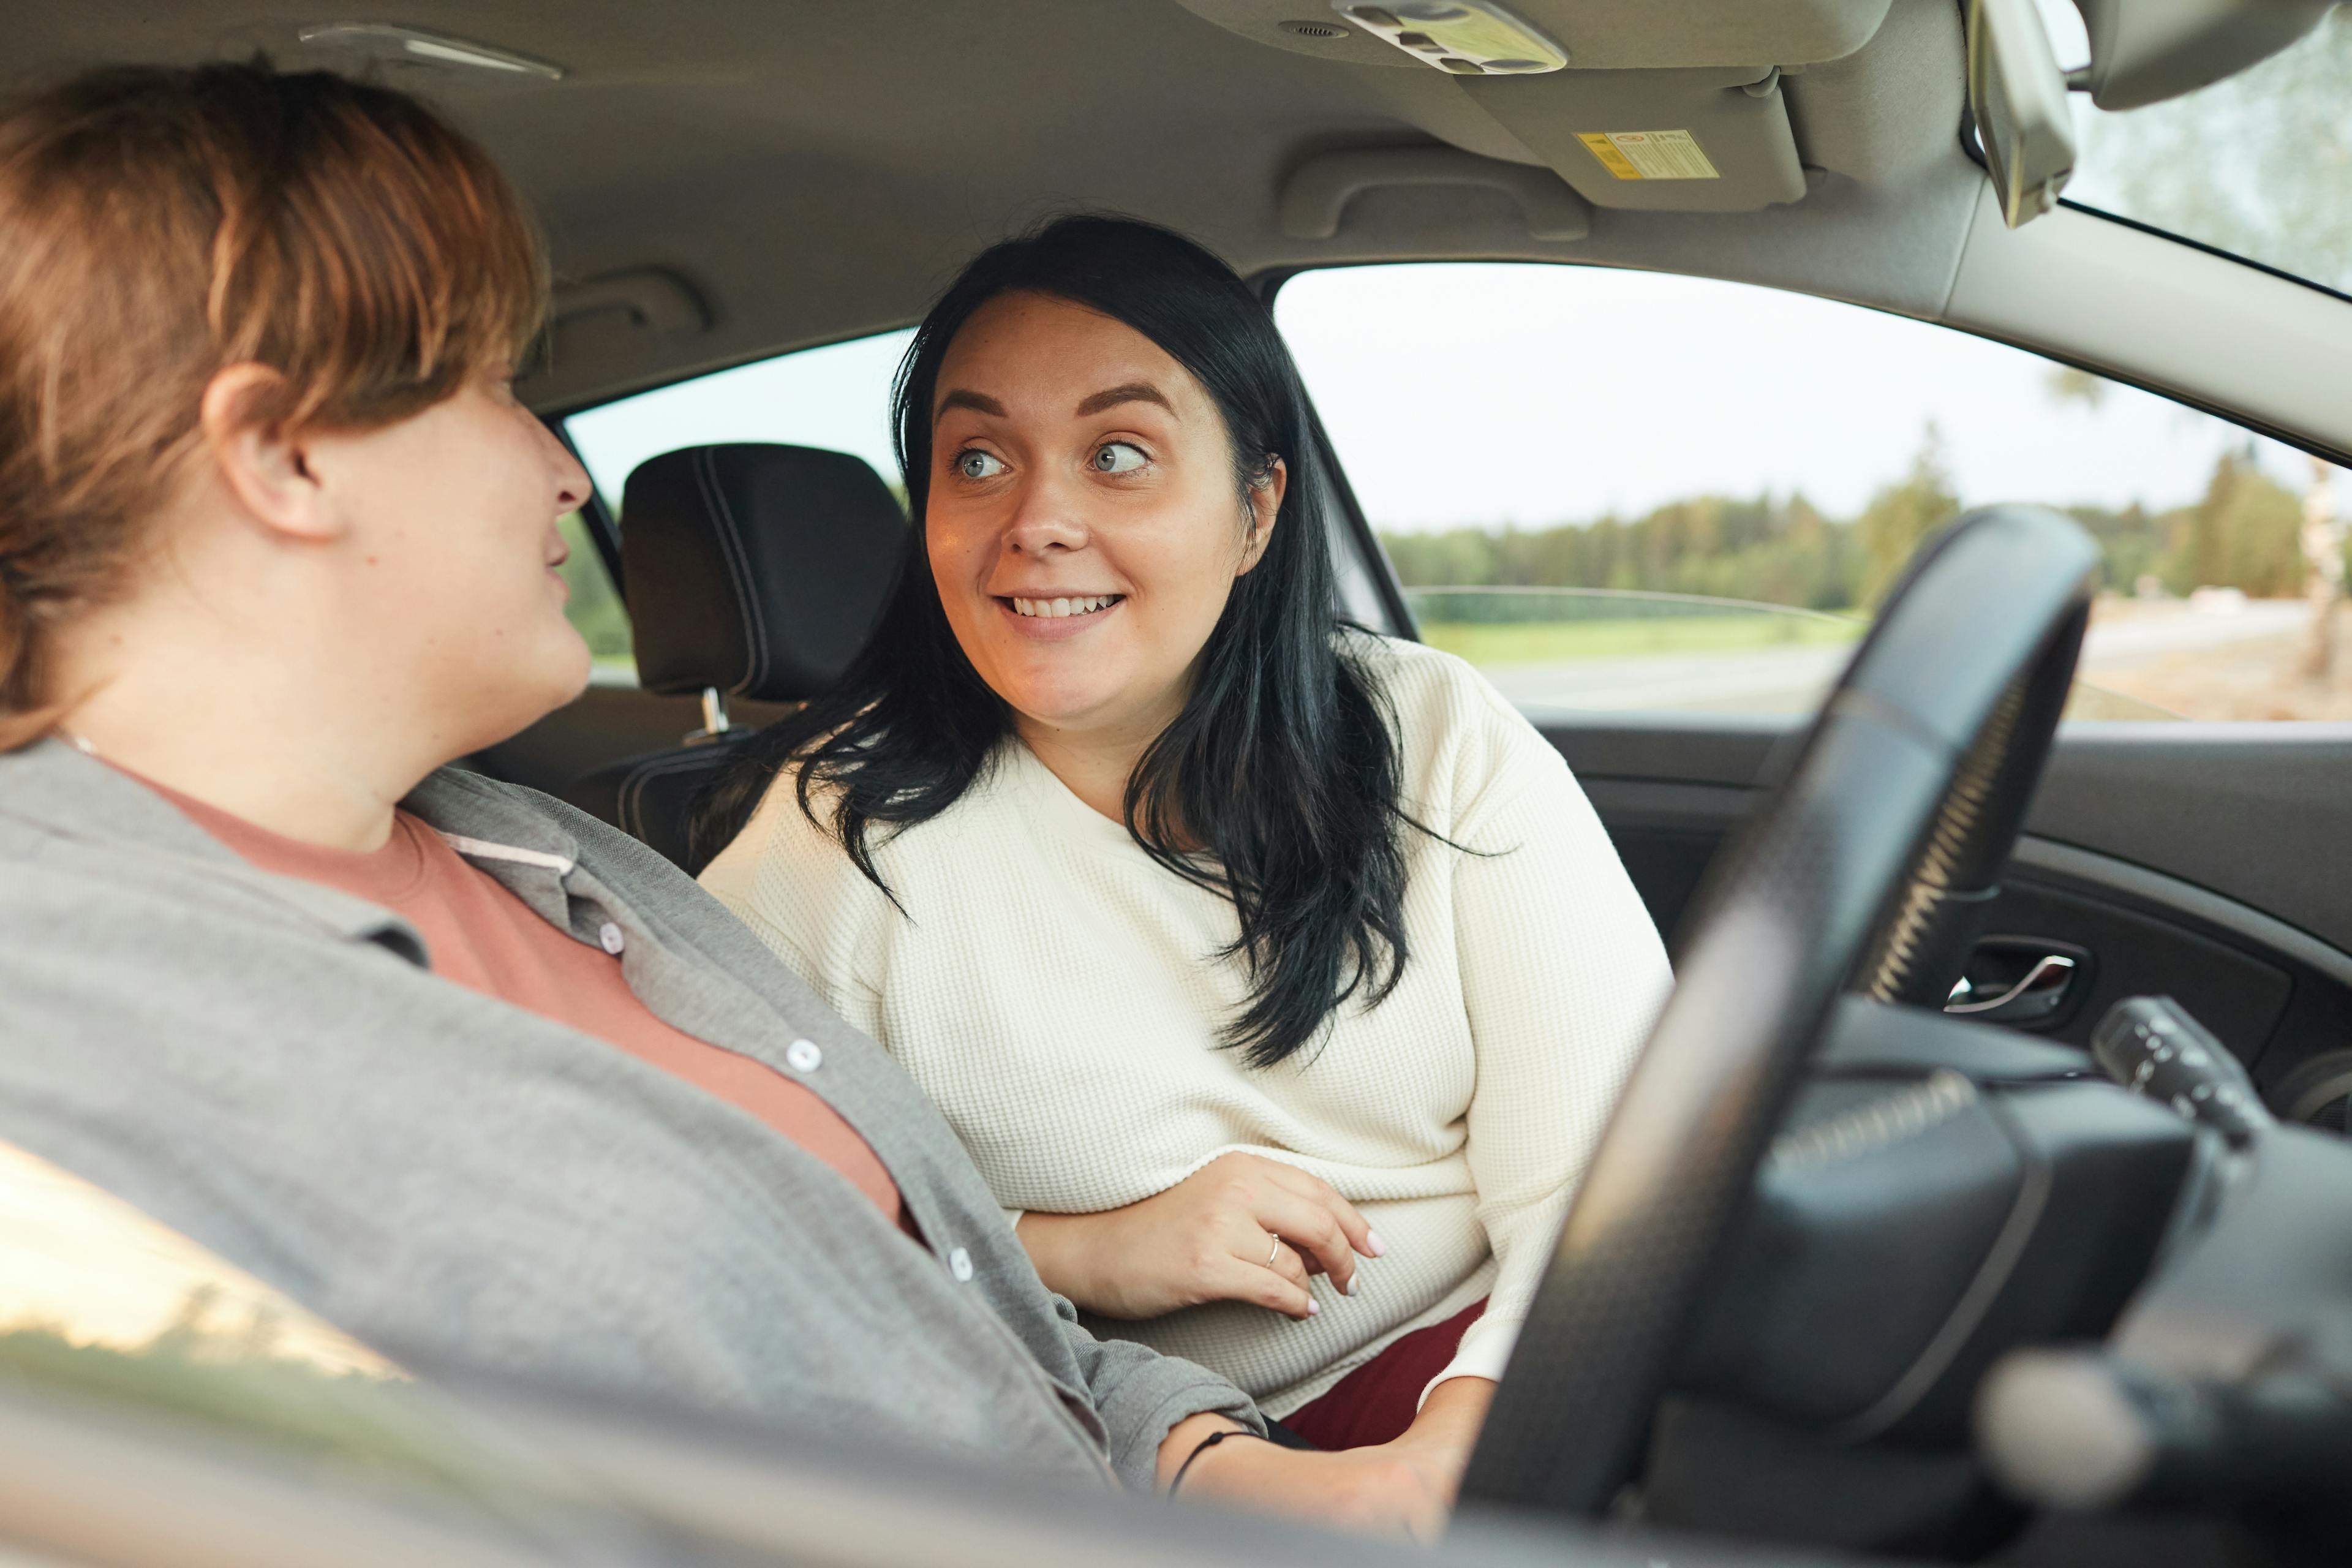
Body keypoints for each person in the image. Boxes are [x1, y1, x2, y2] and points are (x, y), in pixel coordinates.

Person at [0, 61, 1453, 1536]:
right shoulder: (67, 1041)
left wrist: (1241, 1476)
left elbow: (953, 1311)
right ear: (284, 454)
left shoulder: (548, 859)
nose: (564, 471)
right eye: (500, 387)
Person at [696, 216, 1675, 1455]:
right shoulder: (829, 841)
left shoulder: (1431, 734)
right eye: (980, 461)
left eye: (1117, 453)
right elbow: (728, 1223)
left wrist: (1462, 1445)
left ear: (1256, 510)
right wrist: (1078, 1249)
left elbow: (1618, 1175)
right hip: (1156, 1464)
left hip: (1523, 1363)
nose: (1038, 519)